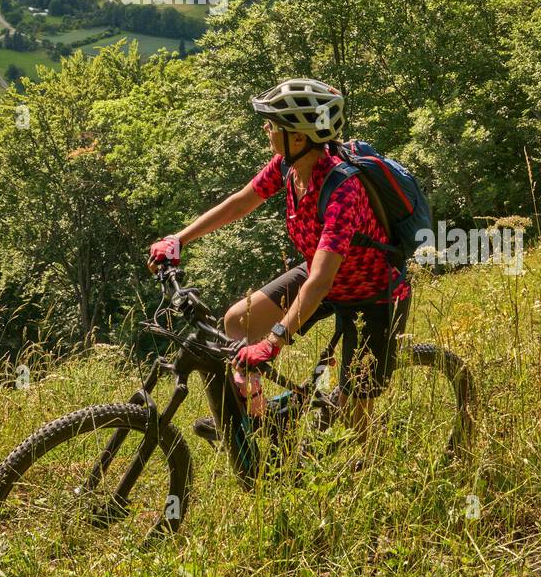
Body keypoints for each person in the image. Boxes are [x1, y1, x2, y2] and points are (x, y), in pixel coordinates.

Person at [147, 77, 411, 445]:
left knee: (355, 417)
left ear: (299, 137)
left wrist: (274, 341)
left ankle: (372, 470)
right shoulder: (288, 167)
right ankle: (266, 418)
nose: (267, 130)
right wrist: (179, 239)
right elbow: (242, 201)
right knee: (237, 321)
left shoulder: (342, 191)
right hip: (325, 276)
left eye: (273, 125)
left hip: (373, 295)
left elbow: (318, 281)